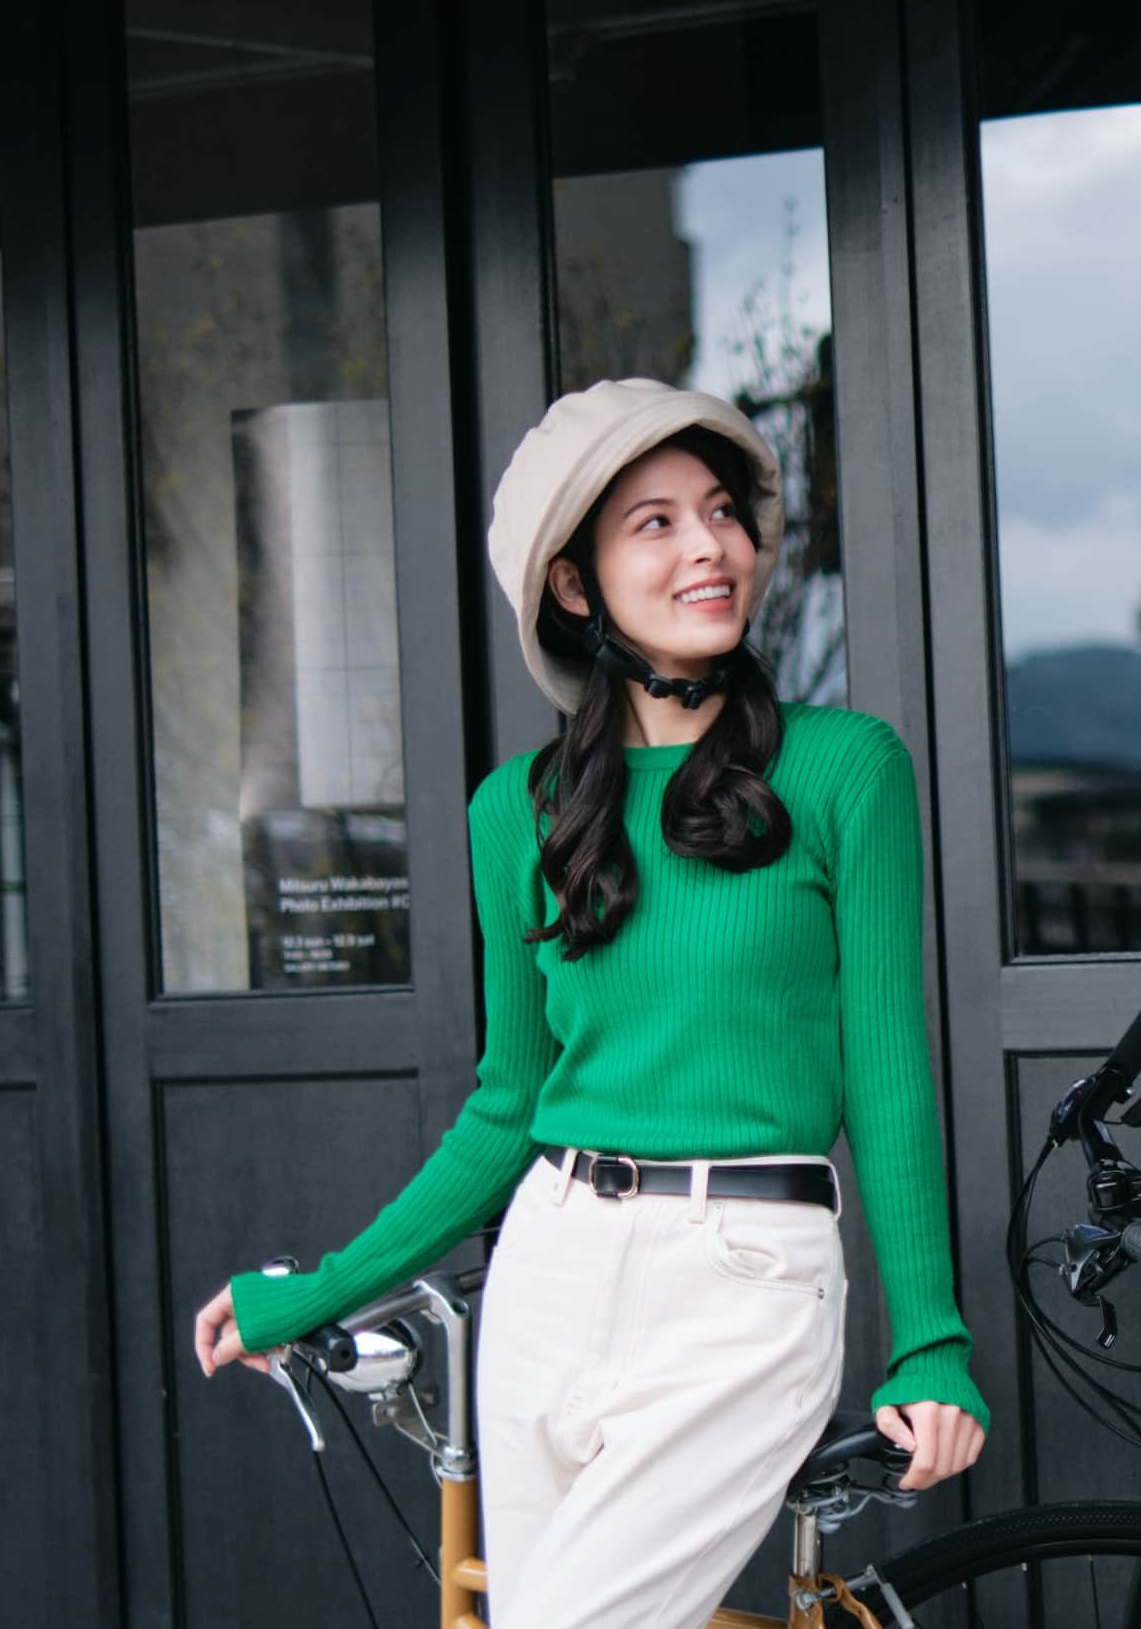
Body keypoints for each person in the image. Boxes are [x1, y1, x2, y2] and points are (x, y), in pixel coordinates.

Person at [190, 379, 986, 1628]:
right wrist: (320, 1289)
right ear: (574, 584)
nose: (709, 546)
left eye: (719, 512)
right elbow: (508, 1105)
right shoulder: (515, 809)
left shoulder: (845, 769)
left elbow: (887, 1074)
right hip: (549, 1269)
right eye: (654, 523)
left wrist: (929, 1337)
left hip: (745, 1279)